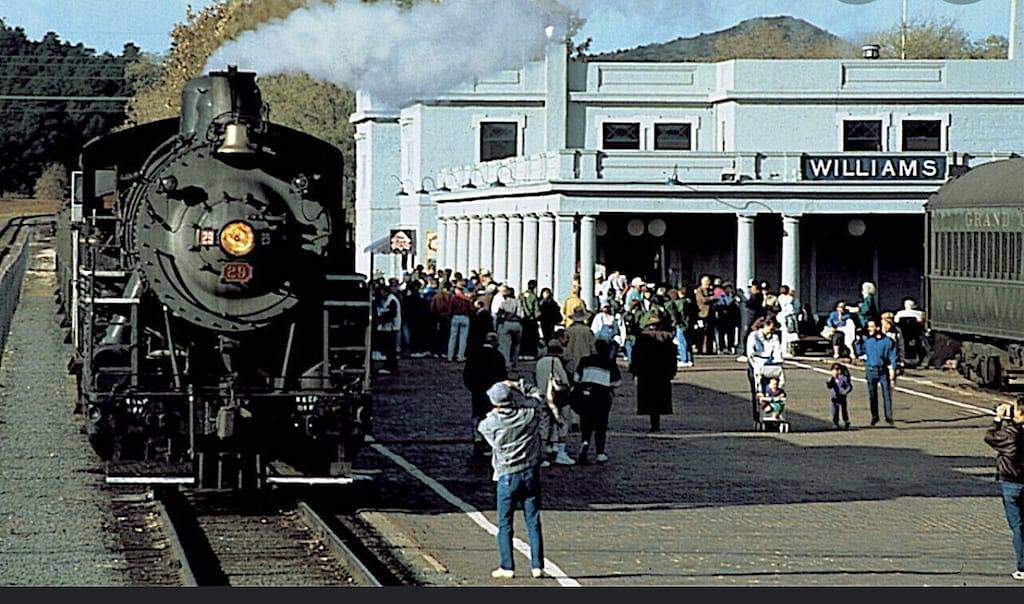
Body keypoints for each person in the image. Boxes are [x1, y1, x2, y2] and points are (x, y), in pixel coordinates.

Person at [477, 380, 547, 579]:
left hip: (507, 474)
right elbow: (538, 396)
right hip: (530, 472)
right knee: (533, 519)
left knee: (505, 522)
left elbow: (483, 427)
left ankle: (507, 566)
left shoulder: (489, 424)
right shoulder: (528, 415)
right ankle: (537, 565)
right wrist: (517, 384)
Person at [985, 398, 1024, 581]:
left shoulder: (1010, 434)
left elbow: (990, 437)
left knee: (1017, 526)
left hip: (1011, 483)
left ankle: (1022, 567)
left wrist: (998, 418)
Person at [574, 339, 622, 464]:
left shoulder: (585, 361)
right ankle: (600, 453)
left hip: (586, 396)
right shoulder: (609, 363)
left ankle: (585, 443)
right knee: (601, 426)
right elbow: (617, 382)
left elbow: (576, 378)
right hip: (602, 398)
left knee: (586, 424)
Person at [629, 311, 677, 432]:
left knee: (649, 400)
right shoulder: (666, 336)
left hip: (646, 374)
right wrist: (672, 371)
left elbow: (636, 356)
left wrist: (634, 371)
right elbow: (672, 356)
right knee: (659, 399)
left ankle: (654, 423)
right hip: (662, 373)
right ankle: (656, 423)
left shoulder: (642, 337)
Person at [464, 333, 508, 458]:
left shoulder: (474, 355)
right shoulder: (498, 356)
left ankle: (478, 440)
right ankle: (488, 442)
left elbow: (467, 374)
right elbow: (503, 377)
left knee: (478, 415)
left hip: (477, 391)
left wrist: (472, 387)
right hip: (493, 392)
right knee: (491, 416)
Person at [535, 339, 575, 466]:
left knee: (544, 425)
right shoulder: (556, 361)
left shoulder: (539, 362)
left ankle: (543, 454)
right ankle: (561, 453)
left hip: (542, 396)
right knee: (562, 423)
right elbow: (564, 380)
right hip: (558, 398)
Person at [860, 319, 898, 426]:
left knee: (886, 394)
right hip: (870, 369)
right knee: (872, 395)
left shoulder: (888, 341)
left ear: (877, 328)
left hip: (883, 370)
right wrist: (858, 340)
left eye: (871, 327)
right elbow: (860, 351)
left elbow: (892, 356)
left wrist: (892, 370)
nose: (869, 329)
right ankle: (874, 416)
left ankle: (889, 416)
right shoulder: (867, 340)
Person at [745, 317, 783, 418]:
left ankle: (773, 413)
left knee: (772, 389)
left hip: (770, 366)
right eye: (771, 328)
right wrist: (756, 365)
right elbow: (750, 353)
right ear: (765, 326)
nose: (772, 330)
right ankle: (758, 416)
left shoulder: (774, 337)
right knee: (758, 390)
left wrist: (777, 361)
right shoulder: (753, 336)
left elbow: (777, 352)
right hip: (756, 365)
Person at [375, 283, 401, 374]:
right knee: (390, 349)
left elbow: (391, 314)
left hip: (391, 327)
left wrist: (381, 319)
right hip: (390, 327)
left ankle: (390, 367)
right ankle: (389, 366)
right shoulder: (391, 299)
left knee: (390, 349)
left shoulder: (391, 300)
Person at [496, 286, 524, 366]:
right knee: (516, 344)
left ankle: (506, 362)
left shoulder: (504, 303)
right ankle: (514, 361)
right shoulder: (518, 302)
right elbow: (521, 315)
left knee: (505, 345)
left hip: (506, 323)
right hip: (517, 324)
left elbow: (499, 314)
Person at [665, 289, 693, 368]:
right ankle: (689, 359)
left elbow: (678, 314)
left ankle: (683, 359)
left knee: (682, 342)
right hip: (688, 324)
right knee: (687, 342)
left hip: (681, 324)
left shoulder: (679, 303)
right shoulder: (689, 301)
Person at [564, 308, 596, 376]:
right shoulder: (587, 330)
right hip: (585, 358)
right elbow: (593, 346)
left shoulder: (569, 330)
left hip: (571, 358)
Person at [447, 282, 473, 362]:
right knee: (463, 339)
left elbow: (450, 309)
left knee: (452, 338)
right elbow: (471, 309)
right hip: (465, 317)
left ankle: (450, 356)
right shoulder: (467, 299)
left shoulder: (454, 298)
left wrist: (449, 317)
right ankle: (460, 356)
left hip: (455, 317)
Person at [826, 362, 854, 430]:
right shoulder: (833, 379)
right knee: (834, 410)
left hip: (842, 397)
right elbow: (829, 386)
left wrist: (844, 392)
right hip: (834, 397)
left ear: (839, 371)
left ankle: (846, 421)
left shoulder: (843, 378)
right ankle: (835, 422)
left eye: (834, 371)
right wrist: (829, 382)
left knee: (844, 410)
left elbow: (849, 387)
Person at [694, 275, 716, 355]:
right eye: (707, 281)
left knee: (710, 332)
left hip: (710, 314)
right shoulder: (699, 290)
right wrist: (712, 298)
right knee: (701, 333)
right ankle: (700, 349)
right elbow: (703, 300)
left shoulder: (710, 290)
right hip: (702, 314)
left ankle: (709, 349)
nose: (709, 283)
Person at [519, 280, 541, 360]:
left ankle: (522, 353)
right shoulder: (533, 296)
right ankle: (531, 353)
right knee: (532, 338)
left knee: (523, 337)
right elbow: (536, 310)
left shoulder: (522, 295)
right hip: (531, 320)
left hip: (523, 319)